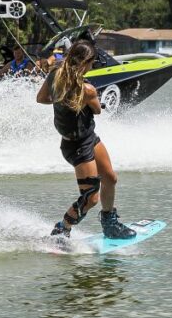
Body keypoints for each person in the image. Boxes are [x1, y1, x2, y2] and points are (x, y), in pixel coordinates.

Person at [36, 41, 136, 239]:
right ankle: (62, 229)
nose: (93, 65)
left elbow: (42, 99)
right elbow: (98, 110)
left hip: (89, 137)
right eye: (92, 62)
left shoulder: (55, 75)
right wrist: (75, 99)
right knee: (90, 198)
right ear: (84, 63)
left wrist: (60, 99)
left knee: (110, 178)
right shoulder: (87, 89)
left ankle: (110, 224)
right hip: (76, 145)